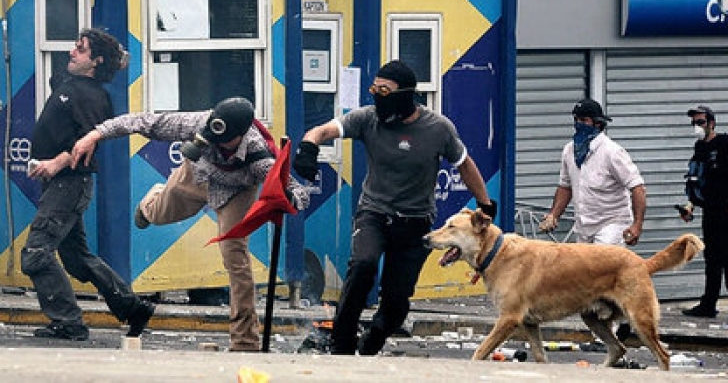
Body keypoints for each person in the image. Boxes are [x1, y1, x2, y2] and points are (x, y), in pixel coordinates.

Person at [71, 96, 310, 351]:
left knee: (235, 258)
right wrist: (95, 135)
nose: (217, 144)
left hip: (235, 193)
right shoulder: (196, 123)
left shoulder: (257, 153)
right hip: (196, 175)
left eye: (224, 141)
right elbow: (142, 122)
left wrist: (294, 197)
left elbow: (292, 187)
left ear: (240, 136)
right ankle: (150, 203)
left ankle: (244, 341)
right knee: (159, 213)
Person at [292, 60, 497, 356]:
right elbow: (323, 130)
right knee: (363, 265)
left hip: (415, 222)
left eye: (384, 91)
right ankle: (342, 344)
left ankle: (373, 341)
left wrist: (484, 203)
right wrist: (308, 148)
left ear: (405, 95)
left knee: (397, 301)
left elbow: (464, 164)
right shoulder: (368, 118)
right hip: (374, 213)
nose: (377, 96)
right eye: (374, 89)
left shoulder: (438, 128)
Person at [21, 28, 155, 341]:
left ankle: (69, 322)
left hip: (68, 184)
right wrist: (112, 57)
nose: (71, 52)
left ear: (94, 61)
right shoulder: (71, 84)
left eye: (80, 49)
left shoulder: (93, 96)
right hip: (62, 185)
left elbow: (87, 143)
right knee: (77, 257)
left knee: (36, 253)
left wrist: (56, 162)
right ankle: (132, 308)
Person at [538, 98, 646, 247]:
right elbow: (565, 187)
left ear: (597, 123)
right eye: (576, 119)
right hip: (584, 227)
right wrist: (553, 215)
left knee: (601, 267)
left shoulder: (612, 152)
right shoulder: (569, 151)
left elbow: (637, 187)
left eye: (584, 120)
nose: (578, 124)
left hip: (612, 225)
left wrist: (637, 225)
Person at [680, 105, 728, 318]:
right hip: (711, 211)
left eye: (700, 122)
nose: (696, 127)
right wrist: (689, 206)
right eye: (694, 123)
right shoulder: (699, 147)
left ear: (711, 123)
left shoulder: (724, 144)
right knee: (712, 259)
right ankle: (708, 304)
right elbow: (695, 179)